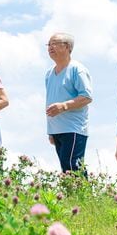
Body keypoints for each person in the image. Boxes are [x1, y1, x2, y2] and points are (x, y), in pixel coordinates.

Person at [45, 32, 93, 174]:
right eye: (48, 44)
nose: (50, 47)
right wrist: (51, 132)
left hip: (73, 127)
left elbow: (86, 97)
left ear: (67, 47)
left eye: (54, 43)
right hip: (56, 129)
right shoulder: (49, 73)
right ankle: (73, 196)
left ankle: (82, 196)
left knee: (73, 167)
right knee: (66, 168)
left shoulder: (77, 69)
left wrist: (64, 106)